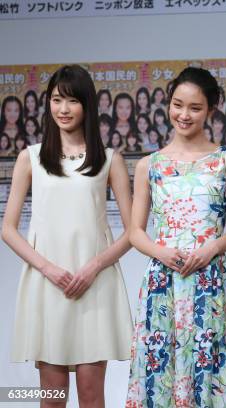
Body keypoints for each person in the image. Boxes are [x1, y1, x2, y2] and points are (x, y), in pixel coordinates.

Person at [2, 64, 133, 408]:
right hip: (48, 286)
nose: (63, 109)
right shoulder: (30, 158)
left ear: (88, 106)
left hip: (95, 285)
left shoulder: (108, 160)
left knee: (92, 396)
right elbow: (7, 229)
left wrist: (94, 267)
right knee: (52, 397)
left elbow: (133, 232)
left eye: (72, 101)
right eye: (56, 100)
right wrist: (47, 269)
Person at [126, 67, 226, 407]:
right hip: (163, 281)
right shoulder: (149, 165)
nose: (184, 114)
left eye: (195, 108)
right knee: (160, 367)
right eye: (177, 105)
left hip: (208, 279)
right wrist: (161, 253)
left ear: (211, 110)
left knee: (208, 368)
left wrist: (212, 248)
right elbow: (135, 231)